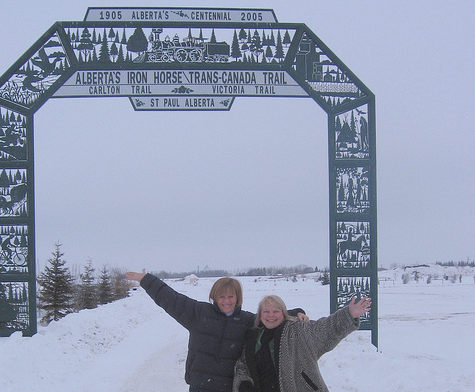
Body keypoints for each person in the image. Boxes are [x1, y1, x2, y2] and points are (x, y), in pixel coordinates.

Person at [125, 270, 307, 392]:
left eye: (231, 296)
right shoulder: (199, 313)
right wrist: (146, 280)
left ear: (238, 298)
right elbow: (171, 299)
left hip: (228, 387)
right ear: (214, 297)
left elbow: (270, 318)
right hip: (199, 386)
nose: (226, 301)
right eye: (222, 296)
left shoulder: (246, 321)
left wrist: (296, 313)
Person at [233, 294, 371, 392]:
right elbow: (243, 365)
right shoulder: (253, 337)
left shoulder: (297, 331)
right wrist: (244, 384)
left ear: (284, 313)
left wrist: (348, 315)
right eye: (266, 311)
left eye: (276, 311)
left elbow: (325, 328)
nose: (271, 315)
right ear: (259, 314)